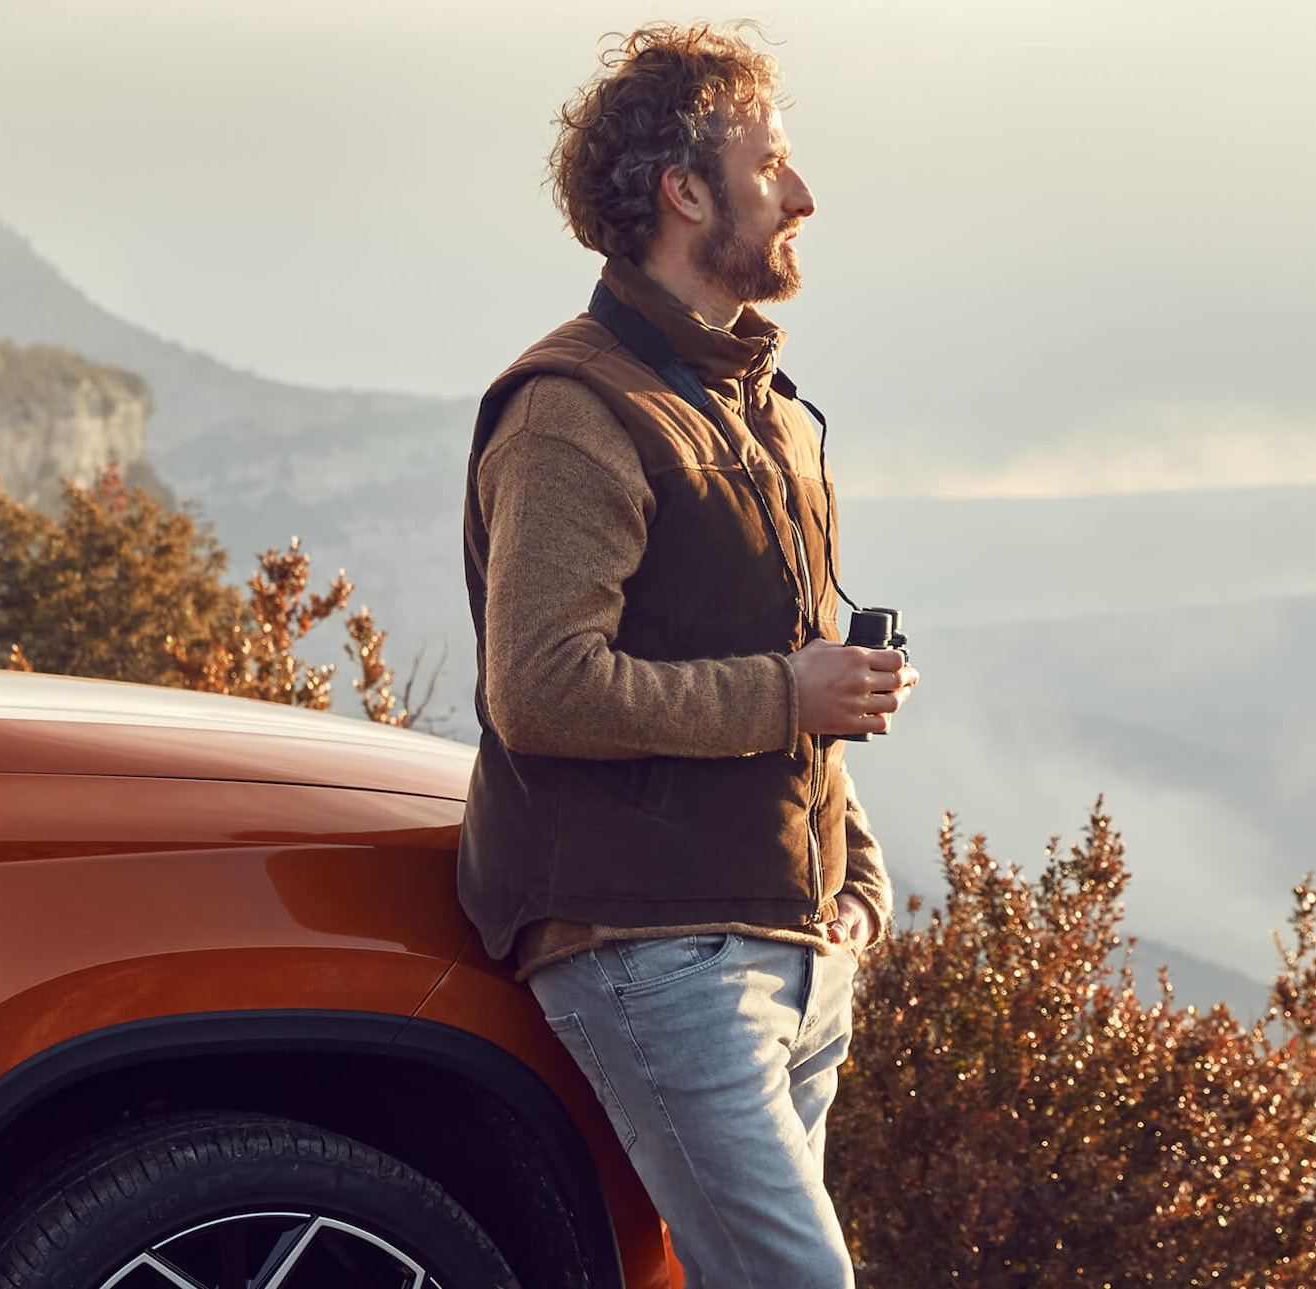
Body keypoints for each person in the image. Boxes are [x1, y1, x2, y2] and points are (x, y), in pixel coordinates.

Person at [459, 22, 907, 1287]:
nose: (805, 194)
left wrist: (855, 879)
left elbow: (798, 664)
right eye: (774, 166)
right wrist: (789, 693)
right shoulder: (573, 411)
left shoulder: (760, 408)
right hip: (656, 945)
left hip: (795, 938)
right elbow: (539, 686)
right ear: (685, 191)